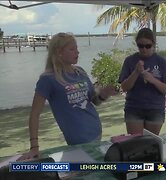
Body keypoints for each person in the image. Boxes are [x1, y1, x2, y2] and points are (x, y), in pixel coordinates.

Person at [19, 32, 117, 160]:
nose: (77, 52)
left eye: (77, 49)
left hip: (96, 132)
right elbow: (35, 114)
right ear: (59, 52)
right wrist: (34, 147)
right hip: (76, 139)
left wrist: (104, 93)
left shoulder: (80, 72)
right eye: (72, 49)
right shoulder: (48, 79)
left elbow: (94, 101)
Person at [118, 28, 166, 135]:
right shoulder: (130, 61)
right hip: (134, 108)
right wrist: (136, 72)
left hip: (155, 108)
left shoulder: (161, 61)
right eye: (140, 46)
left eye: (147, 46)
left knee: (151, 143)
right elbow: (124, 87)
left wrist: (152, 80)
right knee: (135, 143)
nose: (144, 49)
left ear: (153, 44)